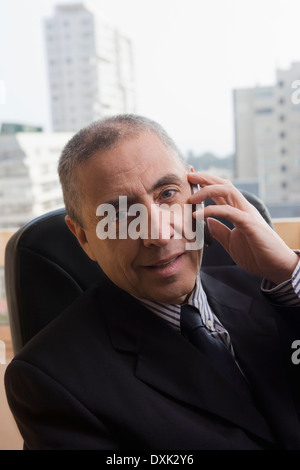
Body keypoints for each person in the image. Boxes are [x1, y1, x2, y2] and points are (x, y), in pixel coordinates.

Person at [5, 114, 300, 450]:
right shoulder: (51, 382)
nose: (158, 234)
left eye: (168, 193)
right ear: (84, 238)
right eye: (120, 214)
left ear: (196, 191)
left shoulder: (275, 288)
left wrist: (290, 271)